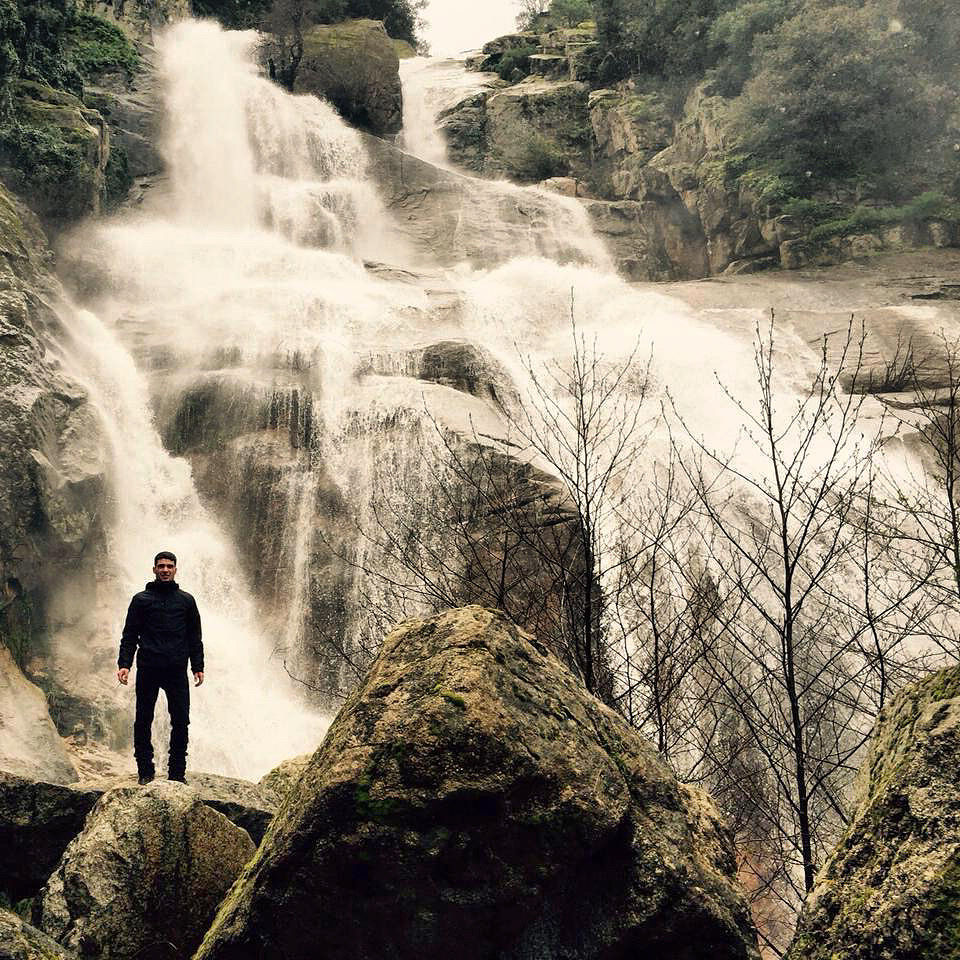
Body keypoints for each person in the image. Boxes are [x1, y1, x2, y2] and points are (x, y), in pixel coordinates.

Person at [117, 551, 204, 785]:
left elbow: (194, 636)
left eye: (169, 566)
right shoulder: (141, 600)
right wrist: (124, 664)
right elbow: (129, 635)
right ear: (154, 569)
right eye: (161, 566)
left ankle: (177, 774)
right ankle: (145, 771)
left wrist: (198, 666)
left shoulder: (186, 601)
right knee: (143, 719)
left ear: (176, 569)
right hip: (148, 668)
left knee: (181, 721)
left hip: (176, 670)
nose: (165, 569)